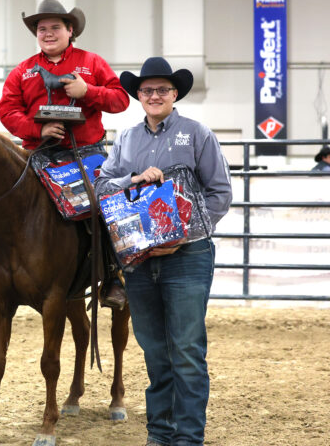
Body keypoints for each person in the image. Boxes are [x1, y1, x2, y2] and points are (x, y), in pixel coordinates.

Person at [94, 57, 232, 446]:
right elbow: (104, 186)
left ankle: (188, 438)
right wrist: (133, 179)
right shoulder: (125, 139)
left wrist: (182, 233)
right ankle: (160, 432)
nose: (154, 96)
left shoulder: (197, 134)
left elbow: (220, 193)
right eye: (147, 90)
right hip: (139, 262)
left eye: (162, 90)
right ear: (138, 96)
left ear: (175, 95)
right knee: (155, 349)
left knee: (187, 350)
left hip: (187, 257)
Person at [0, 0, 130, 308]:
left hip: (85, 152)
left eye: (55, 27)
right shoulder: (23, 71)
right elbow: (6, 110)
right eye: (41, 29)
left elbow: (120, 100)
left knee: (106, 203)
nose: (47, 33)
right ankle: (3, 267)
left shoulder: (92, 63)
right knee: (5, 200)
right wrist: (37, 130)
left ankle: (112, 274)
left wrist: (89, 92)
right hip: (37, 154)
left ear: (71, 30)